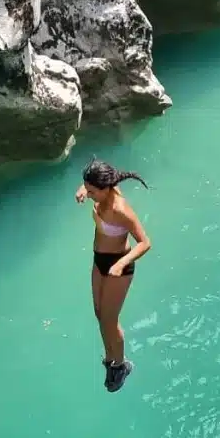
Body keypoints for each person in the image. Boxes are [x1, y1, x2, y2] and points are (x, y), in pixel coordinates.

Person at [75, 158, 152, 392]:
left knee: (110, 320)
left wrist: (121, 264)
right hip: (99, 261)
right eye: (86, 189)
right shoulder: (100, 189)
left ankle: (120, 365)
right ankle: (110, 356)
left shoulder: (121, 210)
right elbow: (87, 186)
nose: (88, 195)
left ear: (106, 188)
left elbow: (145, 242)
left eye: (91, 192)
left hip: (118, 266)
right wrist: (82, 190)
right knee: (100, 314)